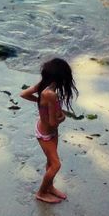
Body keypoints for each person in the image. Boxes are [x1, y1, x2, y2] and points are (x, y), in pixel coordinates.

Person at [20, 58, 78, 204]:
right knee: (56, 165)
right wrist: (62, 117)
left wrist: (42, 105)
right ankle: (41, 193)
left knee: (50, 162)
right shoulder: (50, 94)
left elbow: (24, 94)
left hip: (49, 131)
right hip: (46, 134)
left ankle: (49, 187)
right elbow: (53, 121)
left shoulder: (44, 86)